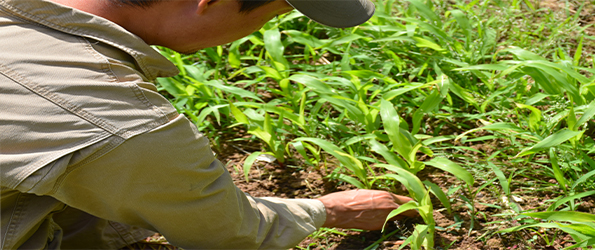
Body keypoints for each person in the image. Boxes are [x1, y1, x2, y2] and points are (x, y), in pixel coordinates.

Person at [0, 0, 416, 248]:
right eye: (270, 15)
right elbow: (229, 234)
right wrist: (328, 210)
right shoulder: (101, 110)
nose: (259, 30)